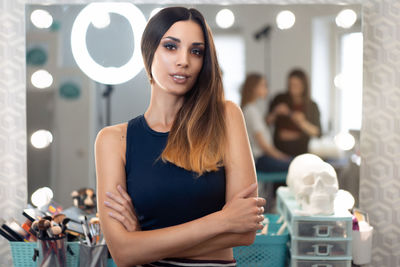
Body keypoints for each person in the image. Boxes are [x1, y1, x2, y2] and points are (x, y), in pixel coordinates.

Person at [95, 7, 266, 267]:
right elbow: (123, 253)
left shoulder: (226, 116)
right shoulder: (113, 140)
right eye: (171, 47)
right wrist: (221, 221)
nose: (184, 60)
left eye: (196, 51)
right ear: (149, 51)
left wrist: (144, 242)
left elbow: (244, 231)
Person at [241, 73, 291, 172]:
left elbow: (263, 124)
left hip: (262, 158)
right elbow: (263, 145)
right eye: (263, 85)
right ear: (254, 88)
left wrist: (275, 113)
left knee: (296, 162)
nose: (266, 89)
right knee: (296, 164)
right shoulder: (251, 110)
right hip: (261, 160)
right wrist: (281, 156)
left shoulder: (251, 109)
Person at [266, 69, 321, 157]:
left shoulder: (312, 106)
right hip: (279, 151)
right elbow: (265, 122)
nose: (293, 88)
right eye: (290, 84)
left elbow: (317, 133)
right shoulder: (279, 99)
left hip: (300, 151)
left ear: (304, 86)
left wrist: (301, 122)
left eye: (296, 85)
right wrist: (275, 113)